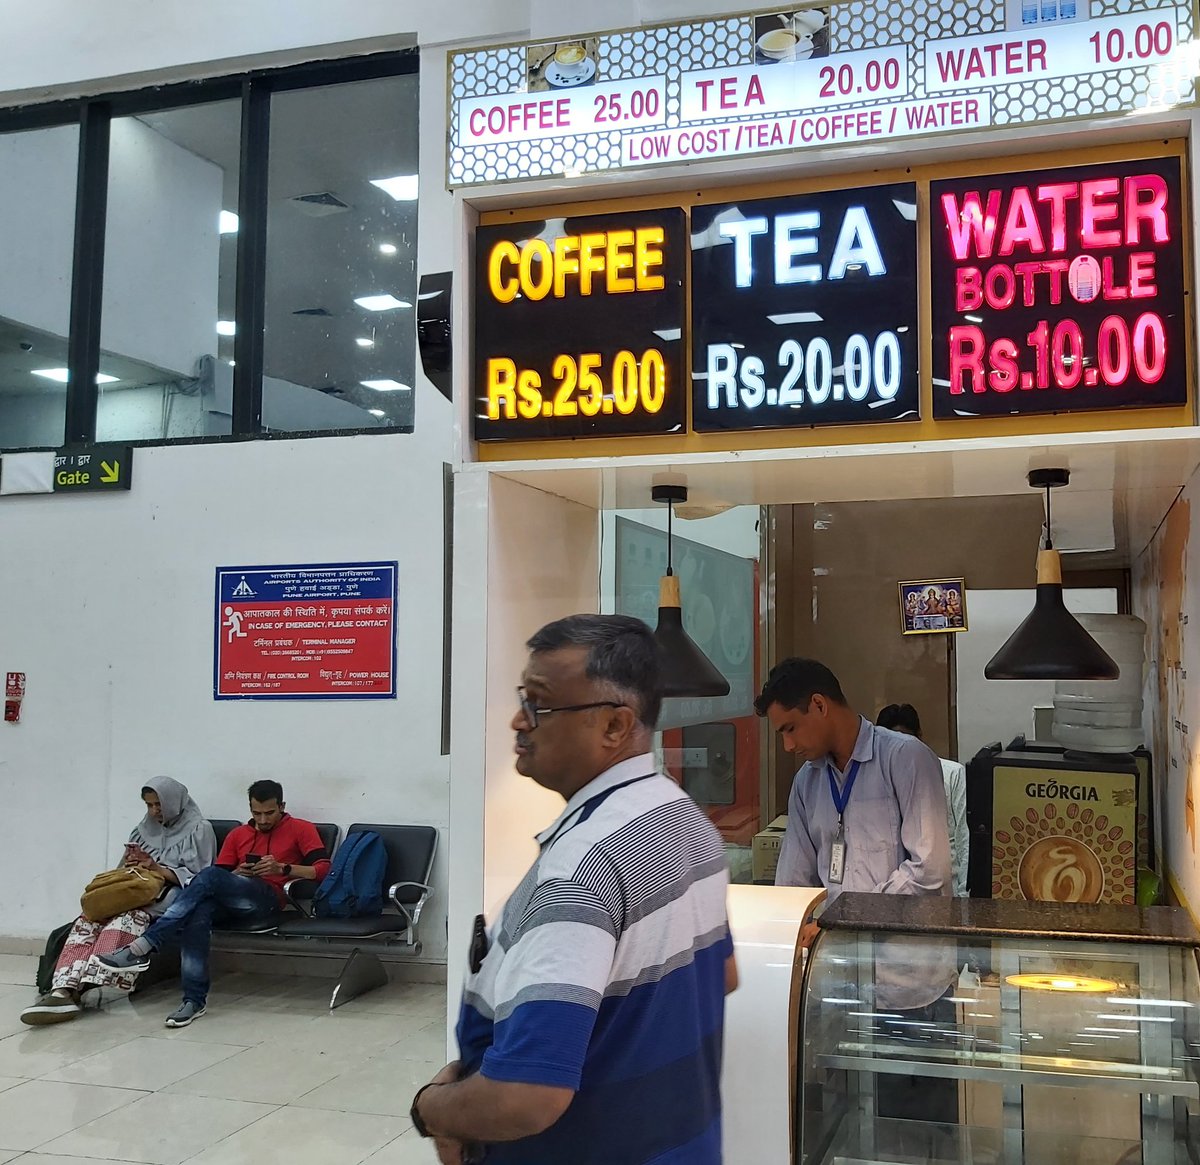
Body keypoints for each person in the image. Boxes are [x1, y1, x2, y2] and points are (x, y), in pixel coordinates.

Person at [410, 615, 735, 1165]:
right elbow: (720, 976)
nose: (519, 720)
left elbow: (526, 1098)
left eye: (539, 704)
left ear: (614, 725)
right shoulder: (684, 822)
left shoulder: (583, 868)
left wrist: (432, 1108)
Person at [758, 659, 956, 1146]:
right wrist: (787, 929)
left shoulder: (905, 758)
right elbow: (794, 882)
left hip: (911, 987)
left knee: (921, 1135)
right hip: (840, 988)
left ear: (820, 706)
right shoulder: (807, 782)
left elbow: (929, 869)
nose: (787, 745)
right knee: (850, 1133)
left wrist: (843, 918)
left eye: (789, 728)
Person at [98, 779, 330, 1028]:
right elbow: (217, 876)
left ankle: (141, 947)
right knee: (198, 910)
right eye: (256, 813)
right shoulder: (238, 834)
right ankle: (193, 1001)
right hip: (233, 899)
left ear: (282, 806)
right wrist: (237, 873)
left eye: (269, 813)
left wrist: (283, 868)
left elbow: (324, 870)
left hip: (268, 899)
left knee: (207, 877)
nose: (262, 820)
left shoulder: (301, 829)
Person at [20, 777, 216, 1026]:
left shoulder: (199, 829)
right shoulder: (143, 829)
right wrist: (133, 865)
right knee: (88, 922)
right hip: (135, 892)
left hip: (167, 897)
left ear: (174, 801)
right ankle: (62, 988)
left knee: (125, 921)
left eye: (159, 804)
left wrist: (158, 869)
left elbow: (201, 879)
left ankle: (76, 990)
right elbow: (122, 870)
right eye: (149, 805)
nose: (155, 811)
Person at [877, 703, 969, 896]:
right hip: (893, 895)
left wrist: (964, 899)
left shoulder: (952, 774)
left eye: (906, 740)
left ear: (919, 737)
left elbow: (964, 840)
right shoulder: (876, 783)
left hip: (944, 895)